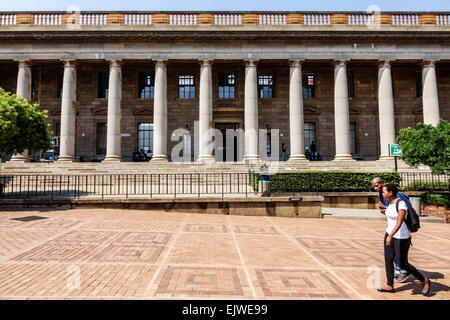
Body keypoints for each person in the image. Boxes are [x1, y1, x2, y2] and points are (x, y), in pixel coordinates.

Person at [377, 183, 431, 295]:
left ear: (390, 193)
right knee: (388, 259)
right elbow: (390, 216)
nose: (382, 194)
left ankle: (424, 280)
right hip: (389, 234)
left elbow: (399, 222)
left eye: (384, 192)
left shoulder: (401, 204)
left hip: (401, 237)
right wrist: (384, 210)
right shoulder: (389, 203)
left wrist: (391, 236)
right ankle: (389, 285)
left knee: (403, 263)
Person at [371, 177, 410, 282]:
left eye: (377, 185)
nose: (376, 188)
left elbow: (404, 207)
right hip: (391, 228)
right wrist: (385, 210)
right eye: (373, 186)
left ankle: (405, 270)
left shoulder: (395, 194)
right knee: (390, 254)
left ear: (382, 183)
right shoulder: (381, 193)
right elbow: (391, 208)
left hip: (400, 228)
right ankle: (397, 272)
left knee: (399, 253)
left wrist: (386, 208)